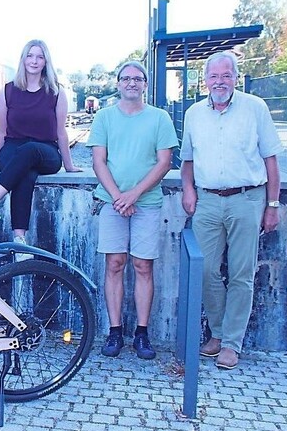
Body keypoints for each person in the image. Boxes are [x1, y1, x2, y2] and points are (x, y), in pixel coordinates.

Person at [180, 51, 282, 370]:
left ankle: (231, 343)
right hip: (208, 200)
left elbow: (271, 160)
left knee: (241, 273)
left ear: (236, 78)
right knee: (206, 269)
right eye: (214, 76)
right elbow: (187, 160)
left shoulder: (255, 108)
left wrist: (273, 205)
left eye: (226, 76)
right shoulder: (194, 113)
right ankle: (217, 332)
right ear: (205, 80)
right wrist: (188, 189)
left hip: (248, 199)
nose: (219, 82)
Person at [87, 61, 178, 360]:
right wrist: (118, 197)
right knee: (114, 263)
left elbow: (164, 162)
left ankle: (141, 332)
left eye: (137, 79)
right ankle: (115, 331)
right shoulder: (104, 117)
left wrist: (134, 195)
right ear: (118, 83)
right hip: (112, 202)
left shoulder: (160, 118)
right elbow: (99, 161)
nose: (131, 83)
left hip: (146, 203)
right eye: (125, 78)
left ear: (145, 84)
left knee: (143, 266)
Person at [0, 39, 81, 251]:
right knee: (26, 173)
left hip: (46, 151)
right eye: (30, 56)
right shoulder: (7, 91)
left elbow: (61, 131)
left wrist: (69, 165)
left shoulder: (56, 92)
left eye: (39, 57)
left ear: (45, 62)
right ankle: (20, 239)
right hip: (13, 149)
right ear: (23, 60)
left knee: (30, 150)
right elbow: (2, 131)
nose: (34, 61)